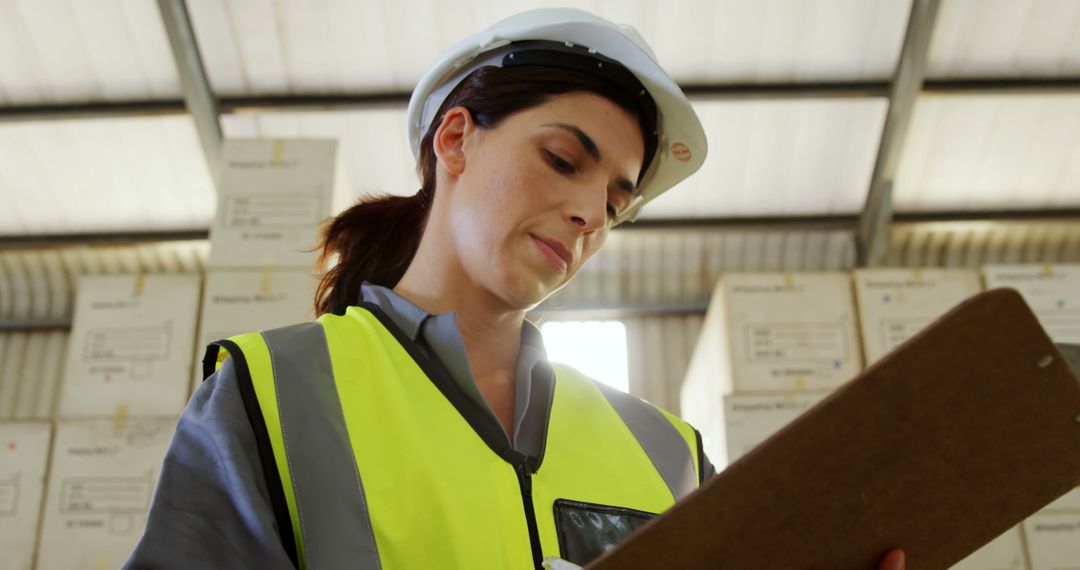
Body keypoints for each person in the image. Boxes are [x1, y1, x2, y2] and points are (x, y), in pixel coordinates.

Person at [126, 8, 905, 570]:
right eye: (566, 160)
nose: (587, 215)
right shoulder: (275, 392)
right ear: (457, 138)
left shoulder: (666, 452)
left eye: (614, 202)